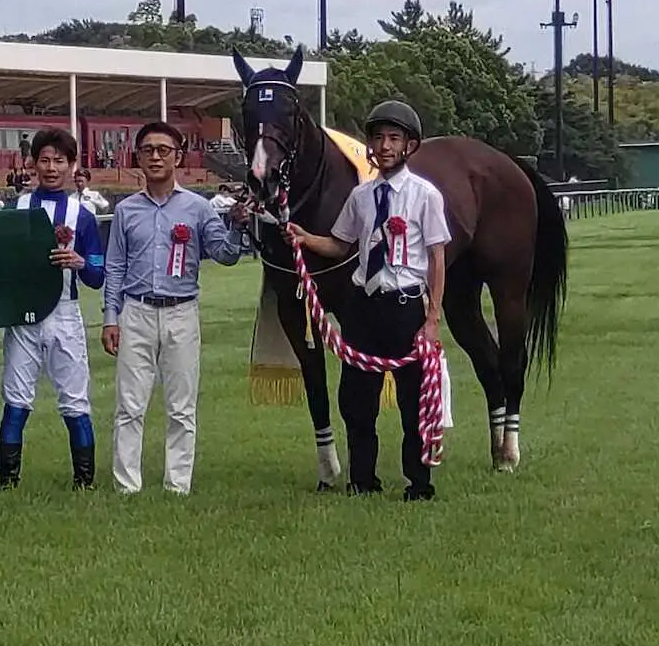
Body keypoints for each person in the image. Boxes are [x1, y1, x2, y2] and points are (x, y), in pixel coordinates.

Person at [284, 100, 450, 501]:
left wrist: (431, 317)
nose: (385, 145)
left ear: (410, 146)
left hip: (405, 305)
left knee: (414, 402)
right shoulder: (361, 196)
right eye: (378, 138)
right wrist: (306, 238)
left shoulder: (425, 195)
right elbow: (340, 245)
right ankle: (362, 478)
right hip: (364, 305)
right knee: (357, 400)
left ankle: (419, 482)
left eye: (394, 138)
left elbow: (436, 257)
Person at [102, 121, 248, 495]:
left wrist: (235, 226)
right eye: (148, 150)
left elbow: (225, 255)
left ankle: (177, 485)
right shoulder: (126, 210)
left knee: (181, 407)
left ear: (178, 157)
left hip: (182, 311)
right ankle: (126, 485)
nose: (155, 156)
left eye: (163, 150)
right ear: (138, 157)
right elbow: (115, 266)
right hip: (136, 310)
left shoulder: (198, 208)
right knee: (129, 404)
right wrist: (110, 318)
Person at [0, 128, 106, 490]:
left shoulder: (83, 215)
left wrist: (78, 262)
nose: (51, 167)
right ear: (33, 164)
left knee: (75, 399)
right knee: (16, 398)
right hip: (24, 314)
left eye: (59, 160)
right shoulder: (17, 208)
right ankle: (8, 483)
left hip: (64, 311)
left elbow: (96, 275)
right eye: (44, 160)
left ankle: (84, 482)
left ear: (72, 165)